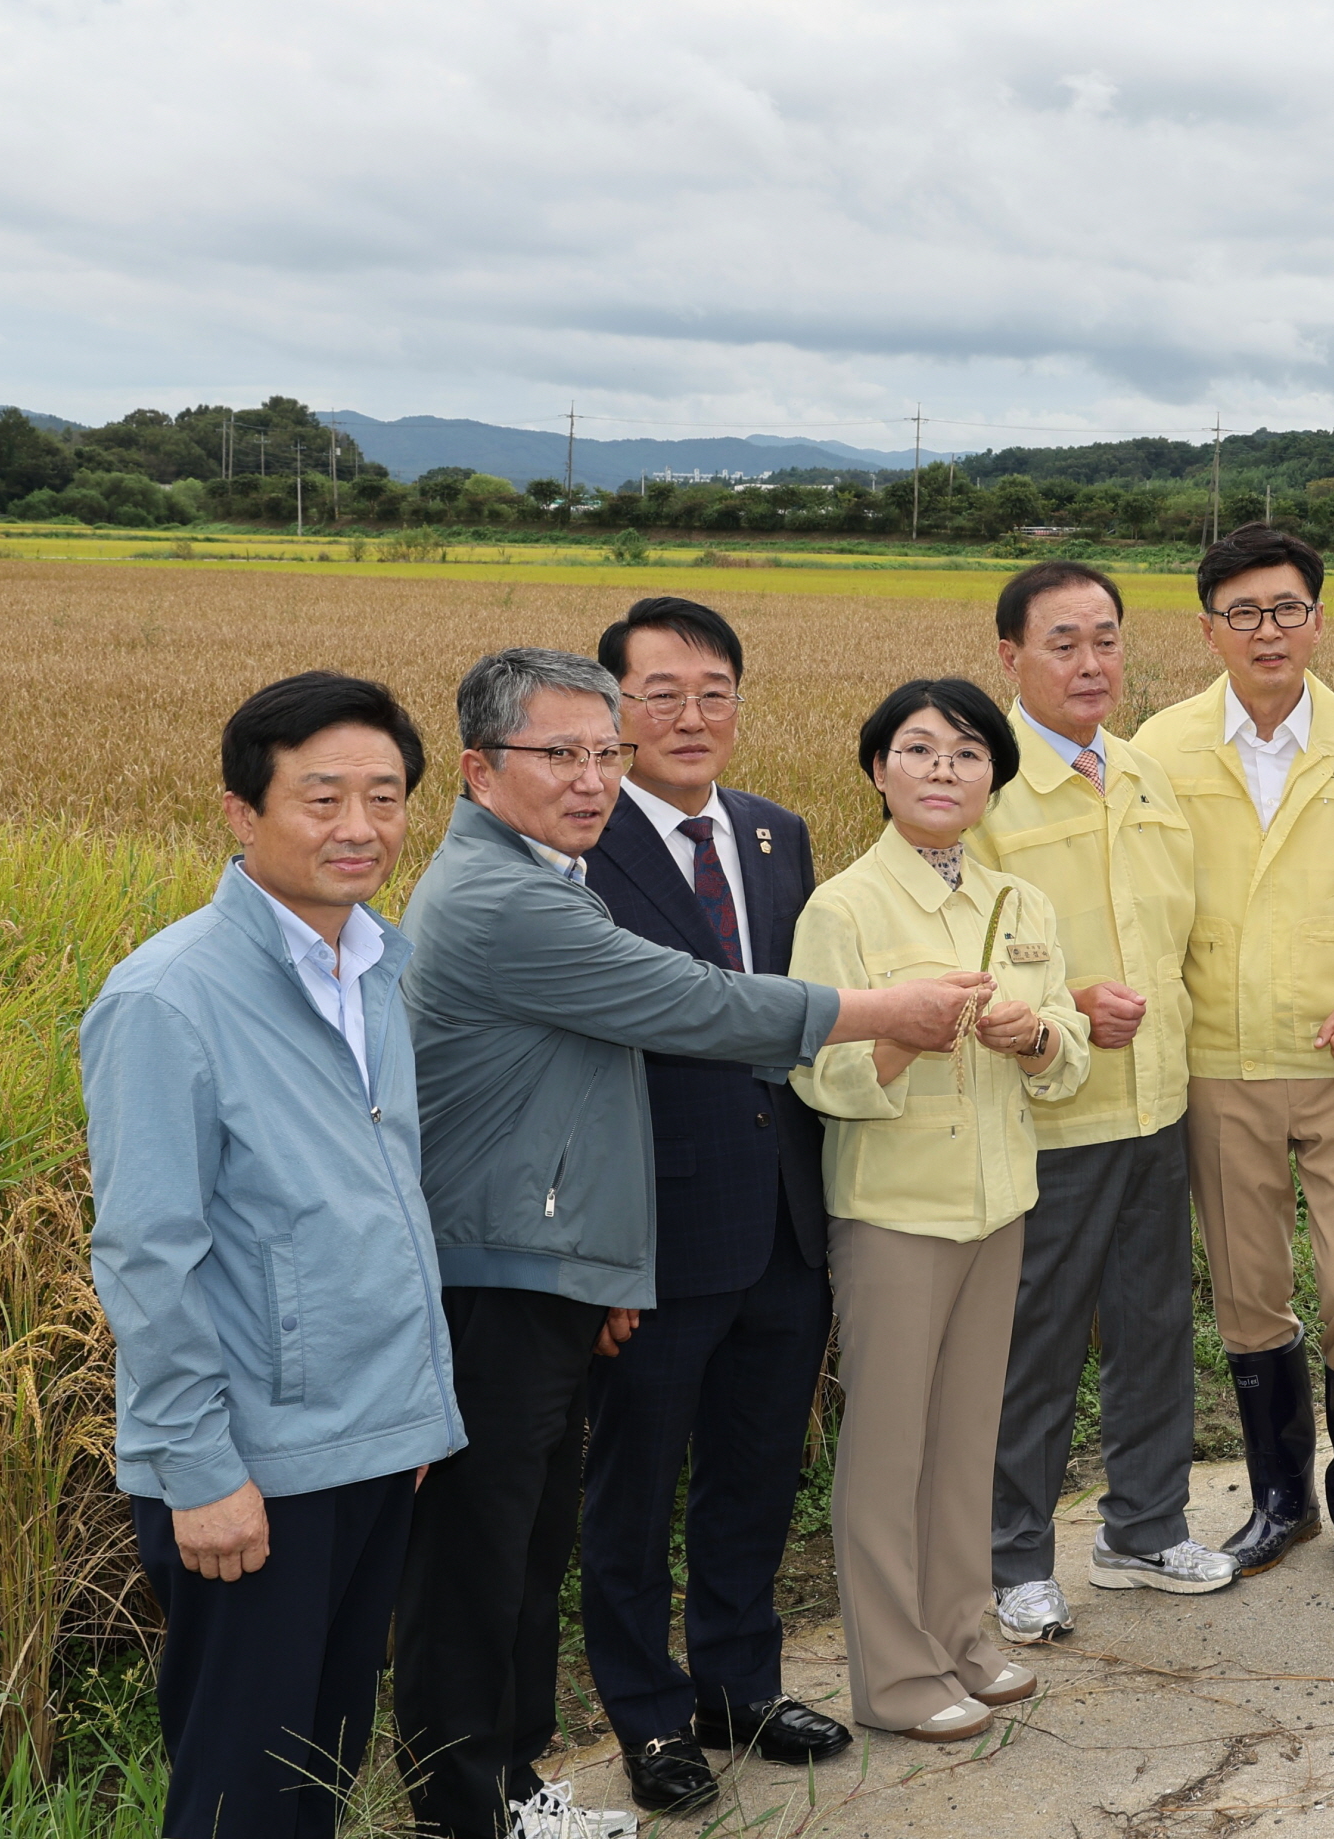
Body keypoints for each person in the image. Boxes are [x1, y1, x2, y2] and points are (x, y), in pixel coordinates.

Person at [392, 648, 984, 1839]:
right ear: (478, 768)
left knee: (528, 1542)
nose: (593, 776)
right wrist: (880, 1012)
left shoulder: (563, 868)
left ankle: (517, 1789)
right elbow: (690, 1002)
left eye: (604, 752)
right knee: (484, 1557)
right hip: (496, 1271)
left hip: (567, 1255)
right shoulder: (506, 896)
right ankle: (472, 1806)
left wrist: (599, 1262)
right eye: (562, 753)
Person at [83, 672, 462, 1839]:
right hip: (249, 1461)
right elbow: (148, 1254)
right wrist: (196, 1466)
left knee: (322, 1759)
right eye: (323, 796)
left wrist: (406, 1416)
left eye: (387, 796)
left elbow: (383, 1203)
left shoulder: (374, 965)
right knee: (240, 1786)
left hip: (365, 1435)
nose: (361, 827)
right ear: (243, 813)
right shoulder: (167, 996)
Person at [577, 599, 849, 1813]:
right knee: (634, 1487)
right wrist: (601, 1256)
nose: (692, 716)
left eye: (716, 690)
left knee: (753, 1470)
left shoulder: (778, 833)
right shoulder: (579, 851)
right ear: (613, 709)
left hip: (787, 1219)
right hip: (660, 1233)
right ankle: (646, 1713)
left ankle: (738, 1683)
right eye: (661, 692)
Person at [790, 678, 1093, 1742]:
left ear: (992, 780)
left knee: (966, 1436)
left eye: (967, 754)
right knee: (885, 1447)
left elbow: (1068, 1050)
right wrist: (908, 1034)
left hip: (998, 1201)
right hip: (893, 1212)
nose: (942, 771)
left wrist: (1040, 1039)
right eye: (917, 750)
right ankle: (897, 1673)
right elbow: (818, 1075)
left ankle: (964, 1632)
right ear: (877, 770)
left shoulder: (1021, 903)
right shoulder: (844, 906)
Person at [1131, 522, 1334, 1583]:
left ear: (1318, 617)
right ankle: (1278, 1499)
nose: (1269, 630)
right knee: (1249, 1289)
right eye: (1244, 611)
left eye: (1288, 607)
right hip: (1216, 1059)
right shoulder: (1157, 749)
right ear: (1209, 627)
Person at [966, 562, 1238, 1651]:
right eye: (1064, 641)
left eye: (1108, 641)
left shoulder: (1145, 774)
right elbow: (947, 952)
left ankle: (1144, 1528)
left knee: (1153, 1324)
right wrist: (1065, 1000)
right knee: (1034, 1341)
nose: (1091, 662)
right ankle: (1012, 1556)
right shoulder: (983, 787)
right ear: (1011, 657)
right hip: (1049, 1115)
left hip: (1155, 1103)